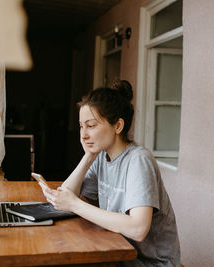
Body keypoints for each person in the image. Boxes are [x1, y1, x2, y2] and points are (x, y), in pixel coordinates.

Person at [38, 80, 181, 266]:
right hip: (117, 253)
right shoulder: (101, 156)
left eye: (91, 126)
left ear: (118, 126)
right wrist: (89, 156)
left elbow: (138, 228)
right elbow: (66, 197)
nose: (83, 135)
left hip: (149, 263)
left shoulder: (138, 160)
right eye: (81, 126)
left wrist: (75, 205)